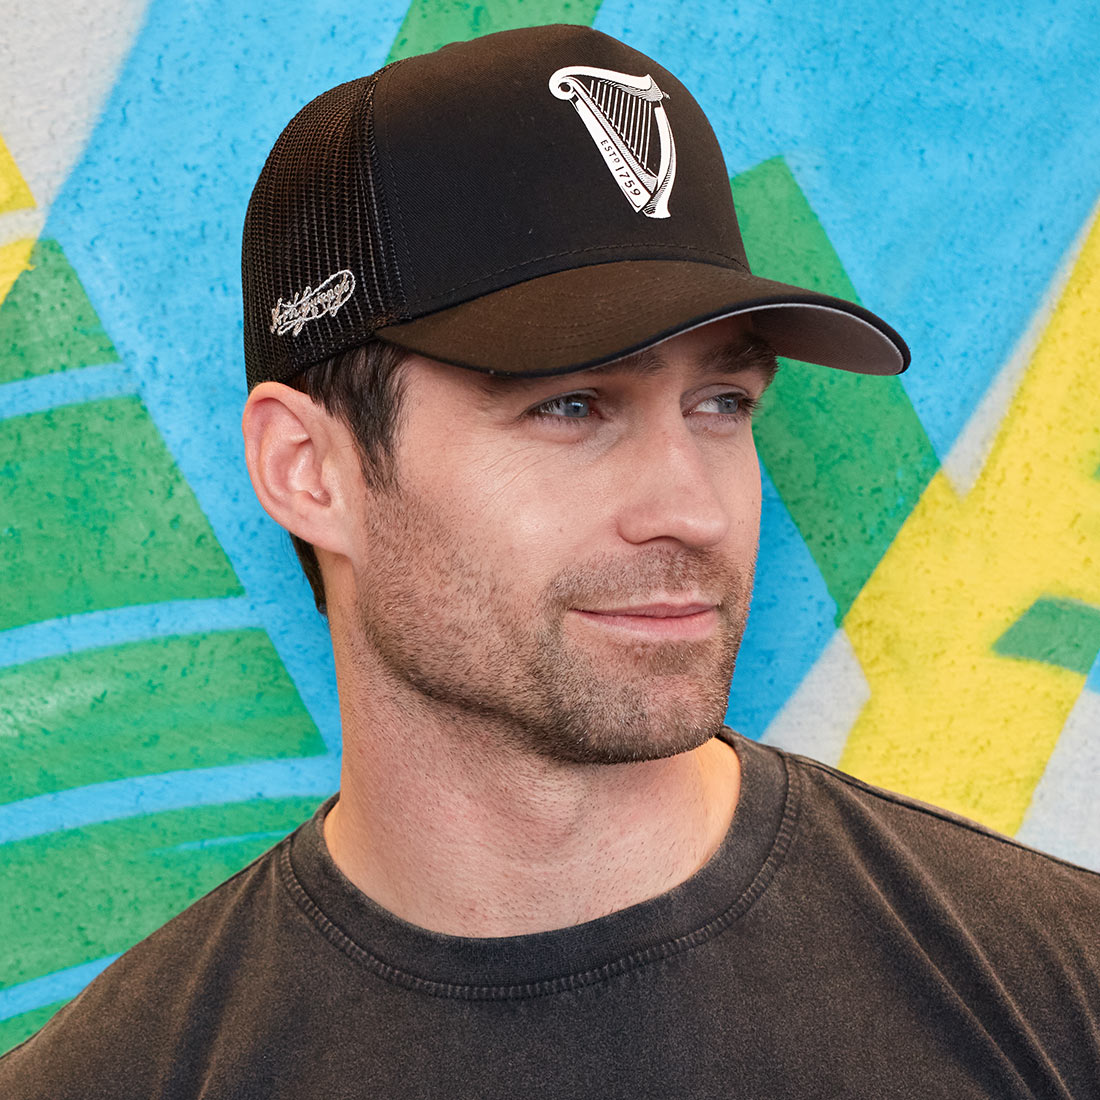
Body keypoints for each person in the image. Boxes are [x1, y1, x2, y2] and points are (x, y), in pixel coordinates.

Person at [2, 23, 1097, 1099]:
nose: (691, 508)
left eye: (720, 403)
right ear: (308, 469)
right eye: (569, 404)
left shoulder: (1059, 994)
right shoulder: (121, 1074)